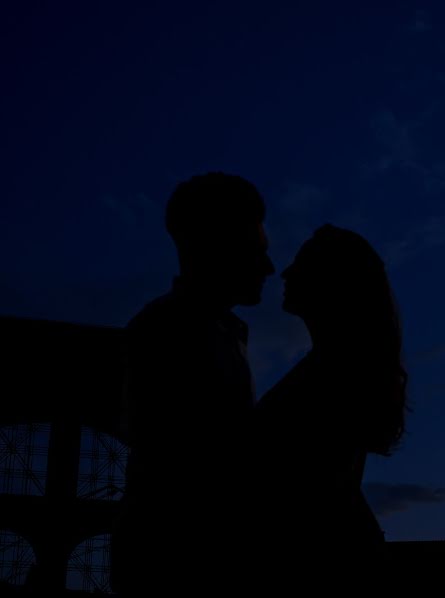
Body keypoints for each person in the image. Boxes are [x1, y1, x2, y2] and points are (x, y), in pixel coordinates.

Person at [111, 172, 275, 595]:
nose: (268, 267)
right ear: (219, 245)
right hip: (181, 567)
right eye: (257, 251)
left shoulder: (219, 332)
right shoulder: (165, 330)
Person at [253, 224, 407, 590]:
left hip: (321, 567)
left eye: (301, 264)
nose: (286, 272)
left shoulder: (334, 374)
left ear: (333, 283)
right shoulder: (338, 368)